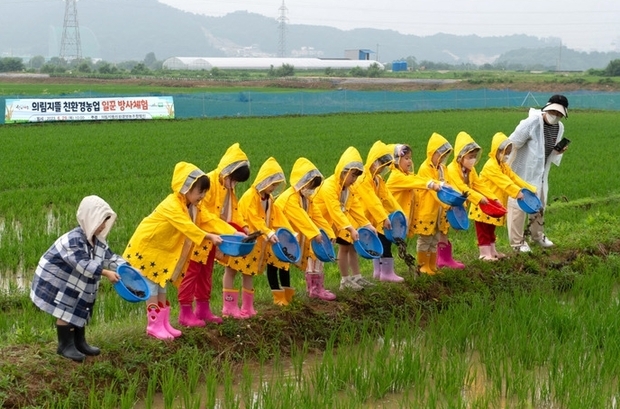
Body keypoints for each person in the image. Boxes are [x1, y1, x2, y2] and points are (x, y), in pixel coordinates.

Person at [123, 162, 223, 340]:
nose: (203, 196)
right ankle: (153, 325)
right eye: (200, 191)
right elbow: (187, 227)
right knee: (152, 286)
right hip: (148, 248)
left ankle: (164, 323)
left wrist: (233, 232)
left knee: (162, 285)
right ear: (186, 188)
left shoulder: (190, 205)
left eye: (205, 192)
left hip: (161, 252)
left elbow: (210, 219)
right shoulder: (172, 204)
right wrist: (209, 237)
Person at [30, 195, 124, 362]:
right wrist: (106, 273)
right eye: (101, 221)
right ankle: (65, 345)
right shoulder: (73, 239)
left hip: (74, 279)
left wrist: (127, 268)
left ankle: (79, 342)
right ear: (91, 219)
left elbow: (110, 258)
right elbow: (82, 263)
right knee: (65, 308)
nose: (103, 226)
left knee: (79, 306)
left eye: (106, 221)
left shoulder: (97, 241)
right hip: (58, 278)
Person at [177, 143, 251, 321]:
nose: (234, 184)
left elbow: (235, 211)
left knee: (206, 273)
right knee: (191, 274)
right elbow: (206, 215)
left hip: (214, 238)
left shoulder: (229, 187)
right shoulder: (207, 182)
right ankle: (185, 312)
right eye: (233, 180)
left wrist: (245, 228)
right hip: (199, 238)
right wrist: (232, 232)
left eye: (236, 182)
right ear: (227, 171)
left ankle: (203, 309)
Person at [223, 156, 294, 314]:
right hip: (241, 239)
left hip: (253, 244)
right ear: (264, 181)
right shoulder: (251, 197)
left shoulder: (268, 199)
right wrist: (268, 232)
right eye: (272, 184)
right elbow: (254, 218)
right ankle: (228, 307)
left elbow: (277, 217)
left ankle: (247, 307)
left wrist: (289, 232)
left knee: (249, 272)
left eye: (276, 185)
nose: (274, 188)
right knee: (231, 270)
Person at [507, 94, 570, 252]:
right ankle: (517, 242)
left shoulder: (559, 127)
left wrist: (558, 151)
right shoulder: (531, 123)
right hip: (521, 171)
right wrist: (504, 168)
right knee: (518, 205)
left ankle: (537, 236)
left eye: (559, 114)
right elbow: (511, 144)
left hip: (540, 172)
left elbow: (548, 151)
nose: (555, 116)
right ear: (547, 108)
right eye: (553, 112)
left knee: (539, 203)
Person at [314, 146, 377, 291]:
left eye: (356, 176)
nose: (354, 180)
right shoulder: (329, 186)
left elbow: (355, 208)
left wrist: (367, 225)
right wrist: (349, 228)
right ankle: (342, 281)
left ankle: (354, 278)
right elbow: (334, 210)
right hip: (320, 223)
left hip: (338, 224)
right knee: (316, 256)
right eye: (352, 176)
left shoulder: (349, 188)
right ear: (344, 172)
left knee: (349, 249)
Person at [275, 157, 337, 301]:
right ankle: (284, 296)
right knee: (282, 265)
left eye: (314, 188)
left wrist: (329, 232)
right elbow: (302, 218)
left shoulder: (306, 198)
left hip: (292, 235)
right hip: (281, 236)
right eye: (310, 187)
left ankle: (315, 289)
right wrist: (315, 234)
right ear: (302, 183)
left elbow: (316, 216)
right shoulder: (291, 198)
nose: (312, 191)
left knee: (310, 257)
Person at [470, 132, 537, 260]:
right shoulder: (491, 166)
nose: (506, 156)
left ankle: (493, 251)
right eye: (504, 153)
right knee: (483, 229)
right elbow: (504, 182)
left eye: (508, 153)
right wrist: (517, 193)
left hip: (494, 205)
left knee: (491, 229)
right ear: (497, 151)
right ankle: (484, 254)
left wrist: (530, 189)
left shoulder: (502, 166)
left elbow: (514, 178)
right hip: (484, 204)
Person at [353, 140, 404, 282]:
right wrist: (384, 217)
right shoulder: (363, 179)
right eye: (382, 165)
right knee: (382, 241)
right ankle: (385, 273)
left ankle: (379, 272)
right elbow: (372, 201)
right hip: (363, 218)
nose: (383, 169)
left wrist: (399, 213)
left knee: (380, 241)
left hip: (375, 217)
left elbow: (387, 198)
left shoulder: (378, 179)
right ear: (374, 162)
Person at [443, 131, 496, 266]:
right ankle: (441, 259)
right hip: (446, 204)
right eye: (470, 156)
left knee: (445, 231)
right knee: (441, 231)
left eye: (474, 156)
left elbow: (479, 185)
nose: (473, 159)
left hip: (457, 205)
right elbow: (462, 188)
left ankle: (445, 259)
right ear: (461, 156)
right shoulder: (452, 170)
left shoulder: (470, 170)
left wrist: (493, 198)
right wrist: (479, 199)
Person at [412, 133, 456, 275]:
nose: (442, 158)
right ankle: (422, 266)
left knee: (435, 239)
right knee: (425, 239)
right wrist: (447, 204)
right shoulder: (425, 168)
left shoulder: (443, 169)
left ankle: (432, 265)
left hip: (439, 213)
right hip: (428, 211)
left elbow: (448, 184)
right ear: (433, 153)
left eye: (444, 156)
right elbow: (434, 192)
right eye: (440, 155)